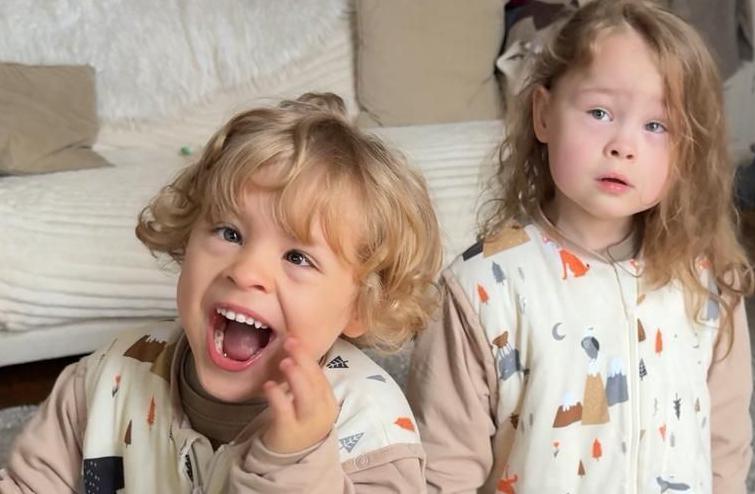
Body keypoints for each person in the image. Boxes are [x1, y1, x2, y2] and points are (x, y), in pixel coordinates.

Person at [1, 93, 442, 493]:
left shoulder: (373, 431)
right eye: (230, 233)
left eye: (297, 257)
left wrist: (292, 462)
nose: (246, 271)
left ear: (361, 305)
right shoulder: (109, 377)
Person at [406, 1, 755, 492]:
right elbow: (445, 470)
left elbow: (725, 443)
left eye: (657, 125)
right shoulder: (480, 291)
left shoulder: (709, 279)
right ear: (544, 115)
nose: (623, 145)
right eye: (599, 112)